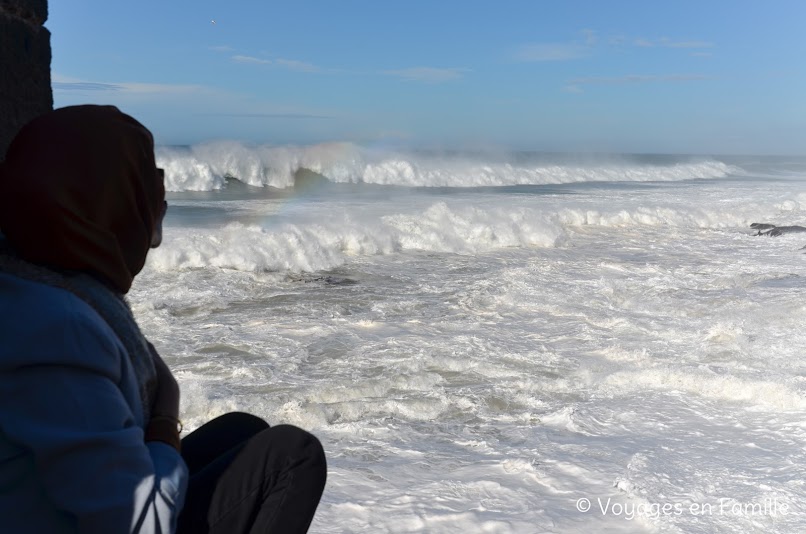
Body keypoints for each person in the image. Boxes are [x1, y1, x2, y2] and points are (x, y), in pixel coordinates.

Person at [0, 105, 327, 533]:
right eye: (141, 178)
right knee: (293, 453)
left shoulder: (31, 286)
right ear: (106, 200)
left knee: (243, 429)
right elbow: (139, 523)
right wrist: (165, 415)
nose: (158, 190)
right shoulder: (57, 329)